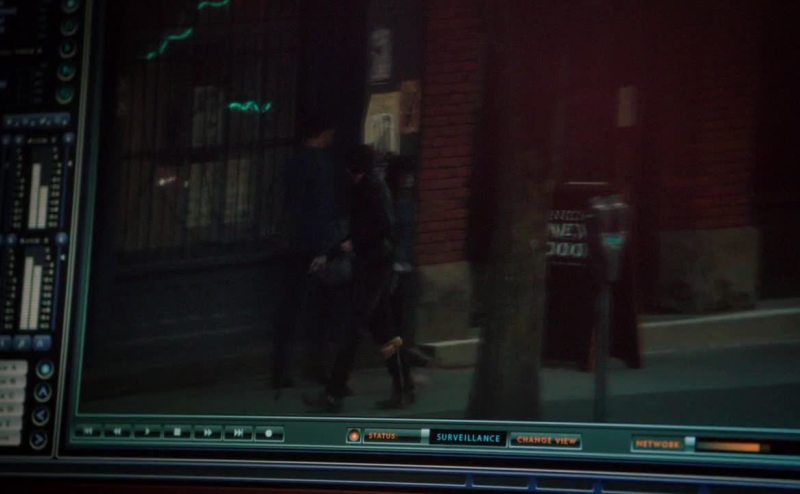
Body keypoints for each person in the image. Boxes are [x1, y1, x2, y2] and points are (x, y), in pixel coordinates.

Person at [305, 145, 414, 412]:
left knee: (353, 330)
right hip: (374, 266)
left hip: (374, 268)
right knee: (385, 333)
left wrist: (350, 246)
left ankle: (335, 393)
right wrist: (331, 254)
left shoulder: (371, 190)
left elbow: (379, 229)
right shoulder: (368, 187)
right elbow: (362, 231)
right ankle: (403, 386)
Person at [272, 114, 342, 393]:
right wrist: (324, 249)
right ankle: (317, 367)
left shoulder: (292, 163)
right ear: (323, 134)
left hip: (291, 243)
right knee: (320, 310)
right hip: (313, 245)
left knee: (288, 309)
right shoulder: (322, 166)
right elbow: (323, 210)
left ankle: (281, 370)